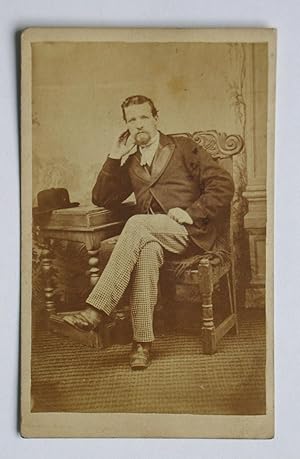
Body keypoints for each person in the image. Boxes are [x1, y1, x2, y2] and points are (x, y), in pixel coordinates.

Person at [63, 95, 234, 370]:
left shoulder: (183, 147)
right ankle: (142, 343)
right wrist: (113, 156)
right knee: (146, 250)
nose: (139, 124)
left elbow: (223, 184)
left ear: (156, 118)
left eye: (144, 117)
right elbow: (101, 198)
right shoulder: (130, 162)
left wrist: (191, 212)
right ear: (126, 127)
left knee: (137, 223)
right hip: (152, 236)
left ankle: (96, 311)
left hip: (188, 233)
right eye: (132, 120)